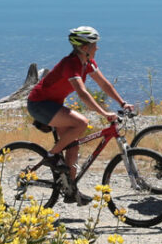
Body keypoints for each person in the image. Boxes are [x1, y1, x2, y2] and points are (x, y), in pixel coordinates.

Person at [26, 26, 133, 204]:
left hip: (54, 105)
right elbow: (82, 94)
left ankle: (70, 190)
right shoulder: (71, 64)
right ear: (85, 48)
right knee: (82, 123)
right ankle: (52, 155)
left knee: (73, 146)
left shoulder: (88, 63)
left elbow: (105, 85)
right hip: (39, 104)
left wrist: (122, 103)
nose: (97, 48)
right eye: (94, 44)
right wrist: (105, 113)